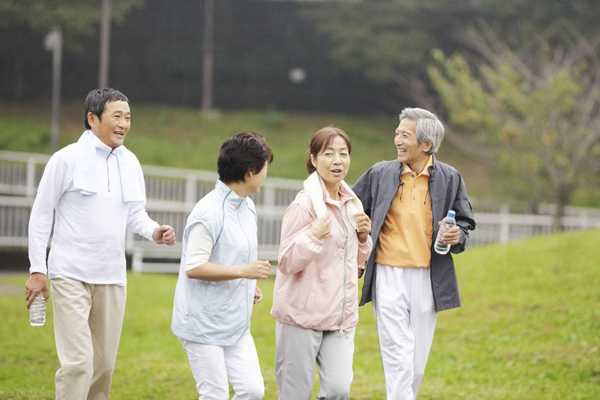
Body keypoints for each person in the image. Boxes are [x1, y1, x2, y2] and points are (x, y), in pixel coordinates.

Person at [25, 88, 176, 399]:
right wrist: (38, 269)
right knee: (79, 362)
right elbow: (41, 216)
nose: (124, 124)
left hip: (111, 276)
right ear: (92, 118)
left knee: (104, 366)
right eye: (116, 116)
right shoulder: (65, 159)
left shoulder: (131, 162)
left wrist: (154, 231)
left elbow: (135, 214)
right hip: (70, 273)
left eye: (128, 117)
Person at [352, 107, 476, 399]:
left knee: (416, 364)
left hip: (428, 277)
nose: (397, 140)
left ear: (426, 145)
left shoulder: (451, 178)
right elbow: (351, 205)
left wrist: (457, 234)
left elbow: (465, 222)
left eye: (404, 135)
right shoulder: (380, 173)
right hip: (387, 273)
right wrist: (359, 231)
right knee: (398, 354)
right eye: (397, 133)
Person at [271, 127, 373, 399]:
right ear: (314, 160)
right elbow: (286, 262)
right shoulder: (304, 206)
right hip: (301, 317)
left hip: (340, 318)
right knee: (294, 394)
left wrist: (363, 238)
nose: (338, 161)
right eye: (329, 154)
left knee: (339, 390)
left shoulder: (352, 205)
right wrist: (313, 235)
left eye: (343, 154)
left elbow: (356, 265)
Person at [171, 132, 274, 400]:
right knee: (214, 395)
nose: (266, 174)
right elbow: (194, 266)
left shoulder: (247, 207)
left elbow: (234, 256)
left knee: (253, 390)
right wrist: (244, 272)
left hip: (235, 323)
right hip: (202, 324)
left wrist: (248, 286)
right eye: (265, 168)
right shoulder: (208, 212)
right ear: (250, 171)